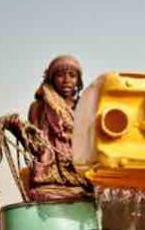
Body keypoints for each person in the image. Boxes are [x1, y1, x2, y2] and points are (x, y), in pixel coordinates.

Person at [9, 54, 91, 202]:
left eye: (72, 75)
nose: (66, 80)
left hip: (84, 178)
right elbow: (37, 147)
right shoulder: (38, 108)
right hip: (50, 182)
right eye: (60, 75)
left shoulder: (87, 108)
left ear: (78, 81)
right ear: (51, 78)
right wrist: (17, 130)